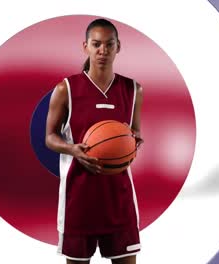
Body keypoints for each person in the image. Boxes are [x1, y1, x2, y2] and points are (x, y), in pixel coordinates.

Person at [45, 18, 143, 264]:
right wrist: (73, 150)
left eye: (109, 44)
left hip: (118, 199)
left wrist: (132, 144)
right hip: (79, 199)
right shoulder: (65, 88)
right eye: (96, 44)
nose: (103, 51)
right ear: (85, 46)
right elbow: (50, 137)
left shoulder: (133, 89)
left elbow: (135, 134)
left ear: (118, 46)